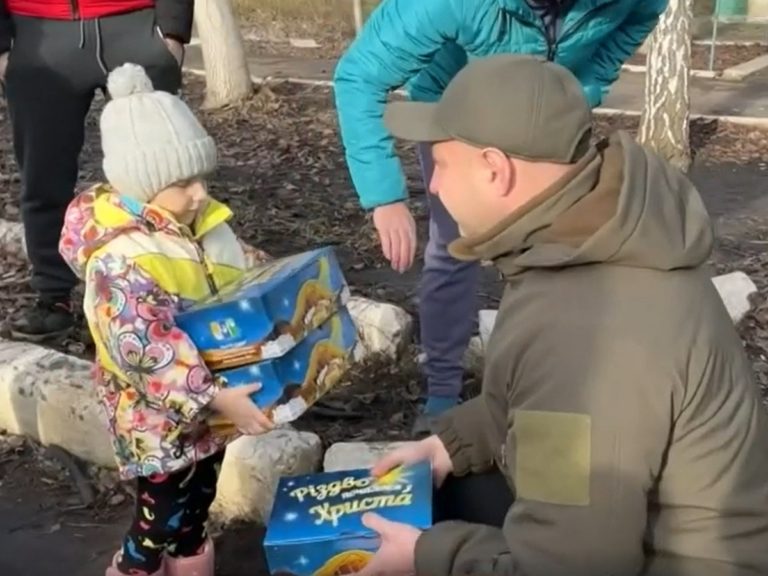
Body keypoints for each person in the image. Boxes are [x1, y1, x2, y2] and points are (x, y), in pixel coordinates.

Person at [353, 54, 768, 576]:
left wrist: (423, 558)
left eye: (440, 165)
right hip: (648, 529)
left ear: (494, 169)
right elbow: (535, 401)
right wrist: (448, 446)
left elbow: (570, 566)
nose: (431, 186)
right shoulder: (589, 238)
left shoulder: (585, 331)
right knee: (457, 489)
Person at [333, 0, 669, 436]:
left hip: (545, 116)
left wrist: (581, 91)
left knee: (556, 247)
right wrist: (385, 198)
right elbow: (360, 75)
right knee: (455, 248)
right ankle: (443, 392)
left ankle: (553, 383)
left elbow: (640, 16)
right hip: (454, 113)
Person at [58, 63, 273, 576]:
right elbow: (142, 344)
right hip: (157, 420)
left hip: (213, 404)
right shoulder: (121, 257)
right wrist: (211, 396)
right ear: (143, 183)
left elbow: (241, 270)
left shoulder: (199, 223)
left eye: (202, 177)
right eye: (183, 183)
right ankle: (136, 568)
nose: (200, 193)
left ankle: (191, 561)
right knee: (158, 520)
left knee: (199, 504)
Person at [0, 0, 193, 342]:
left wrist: (173, 32)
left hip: (136, 25)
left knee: (165, 176)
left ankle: (175, 293)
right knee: (43, 178)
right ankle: (53, 298)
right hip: (36, 33)